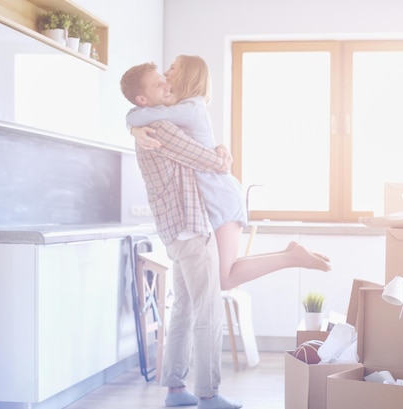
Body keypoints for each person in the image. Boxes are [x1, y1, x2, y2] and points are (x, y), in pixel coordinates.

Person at [127, 55, 331, 291]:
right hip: (214, 197)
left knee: (224, 279)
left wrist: (133, 127)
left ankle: (292, 258)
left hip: (220, 197)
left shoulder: (190, 107)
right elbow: (140, 115)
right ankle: (291, 255)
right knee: (224, 273)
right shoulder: (183, 108)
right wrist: (134, 129)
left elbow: (138, 114)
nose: (166, 73)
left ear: (187, 75)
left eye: (173, 68)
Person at [120, 62, 242, 409]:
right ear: (144, 98)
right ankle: (208, 393)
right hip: (191, 230)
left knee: (185, 309)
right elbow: (210, 162)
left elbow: (138, 117)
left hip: (175, 234)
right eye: (160, 86)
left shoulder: (151, 125)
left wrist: (131, 125)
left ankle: (175, 389)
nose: (168, 89)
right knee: (208, 310)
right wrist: (222, 155)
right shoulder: (162, 128)